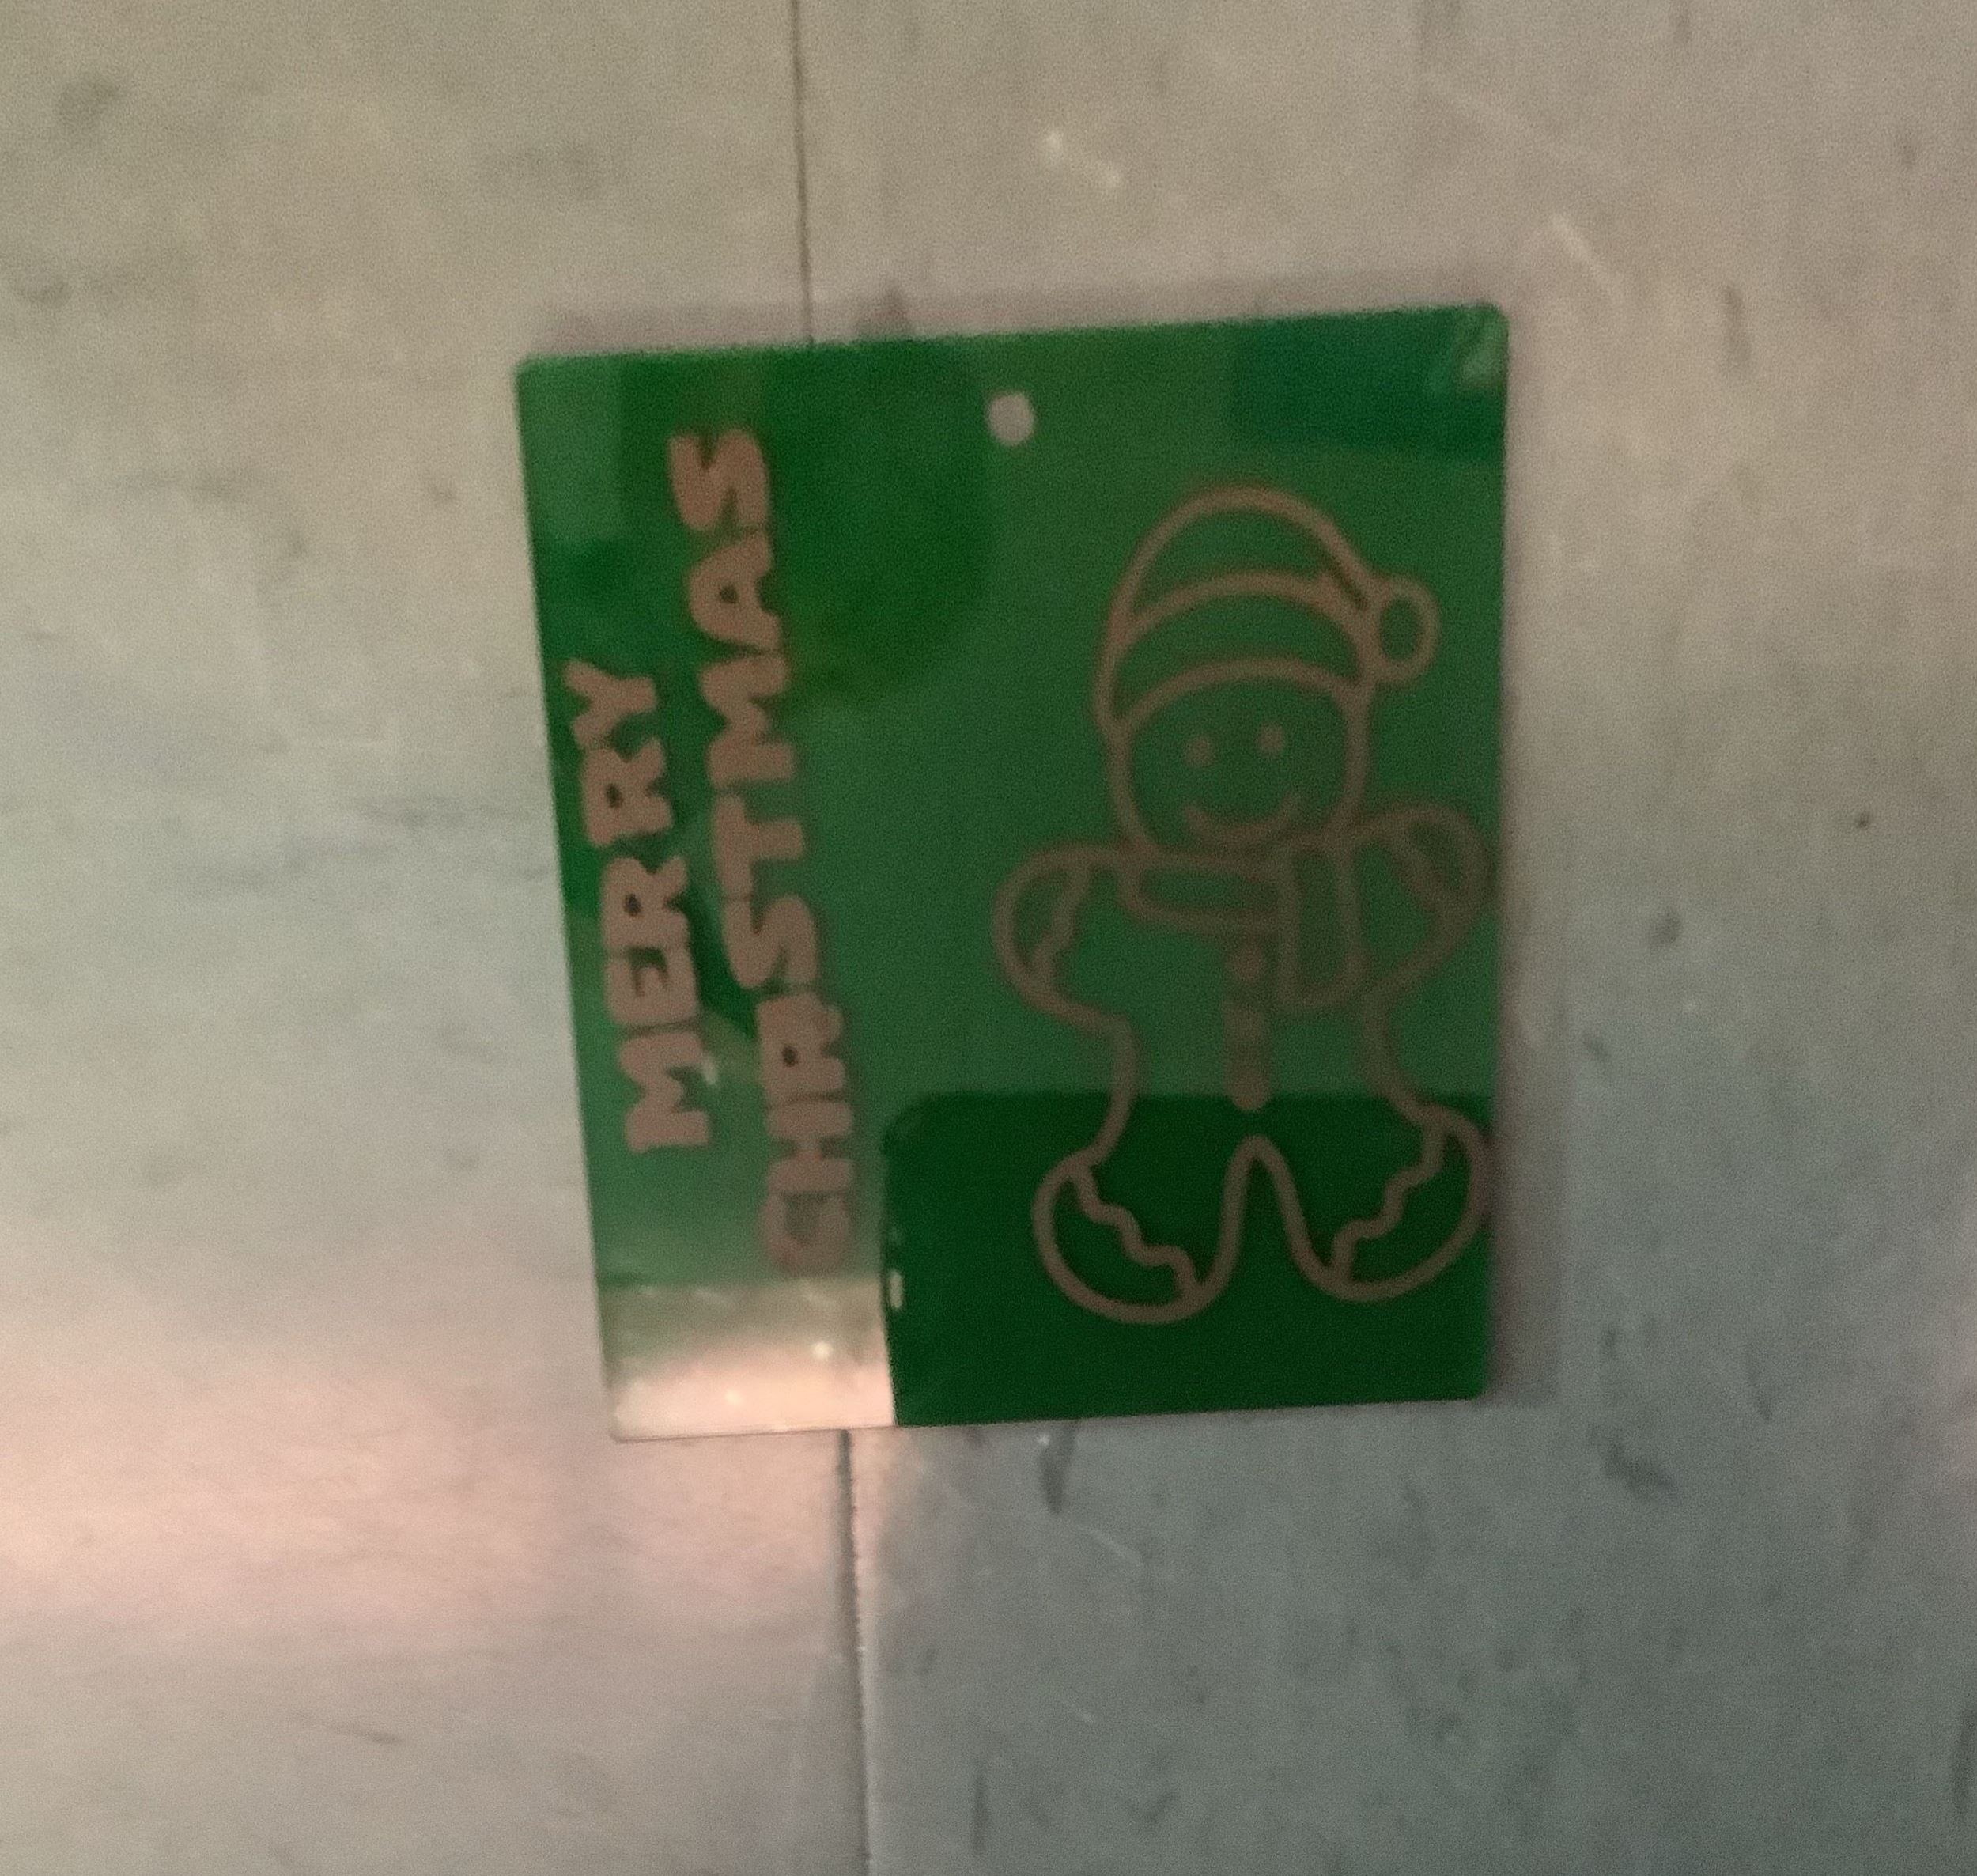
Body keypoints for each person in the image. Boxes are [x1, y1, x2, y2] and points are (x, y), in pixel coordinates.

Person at [992, 486, 1489, 1325]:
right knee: (1154, 1183)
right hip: (1167, 1128)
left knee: (1371, 1173)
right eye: (1188, 750)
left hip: (1350, 1116)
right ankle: (1133, 1217)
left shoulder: (1367, 879)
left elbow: (1434, 880)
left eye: (1273, 740)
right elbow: (1052, 931)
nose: (1234, 779)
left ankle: (1388, 1196)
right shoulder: (1128, 903)